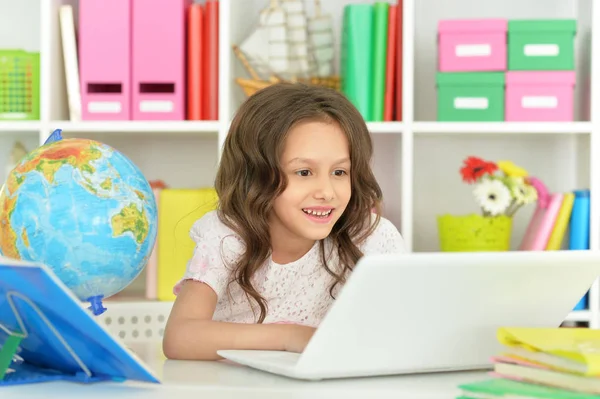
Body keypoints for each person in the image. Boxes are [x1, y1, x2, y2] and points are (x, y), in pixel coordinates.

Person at [162, 82, 405, 361]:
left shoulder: (373, 237)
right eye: (304, 172)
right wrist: (292, 336)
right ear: (256, 176)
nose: (326, 192)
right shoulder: (228, 236)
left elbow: (400, 331)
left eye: (339, 172)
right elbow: (179, 338)